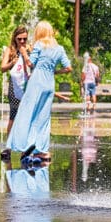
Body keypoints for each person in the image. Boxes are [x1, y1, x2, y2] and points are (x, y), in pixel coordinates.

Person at [5, 21, 72, 164]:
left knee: (26, 113)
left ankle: (24, 146)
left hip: (36, 82)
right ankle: (42, 151)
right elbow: (68, 68)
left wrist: (23, 53)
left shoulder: (39, 45)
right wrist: (54, 71)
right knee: (44, 117)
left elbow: (31, 64)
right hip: (49, 84)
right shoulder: (59, 48)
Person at [0, 26, 30, 150]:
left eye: (25, 39)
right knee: (13, 114)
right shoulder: (10, 50)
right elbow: (2, 68)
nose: (22, 42)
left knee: (28, 116)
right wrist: (12, 63)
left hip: (27, 85)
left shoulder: (30, 49)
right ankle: (9, 146)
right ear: (15, 38)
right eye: (19, 39)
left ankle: (27, 145)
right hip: (14, 86)